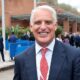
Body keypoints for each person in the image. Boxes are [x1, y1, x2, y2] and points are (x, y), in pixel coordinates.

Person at [13, 5, 80, 80]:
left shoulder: (75, 56)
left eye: (48, 22)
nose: (43, 27)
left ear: (55, 26)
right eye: (38, 22)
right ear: (31, 27)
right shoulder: (20, 60)